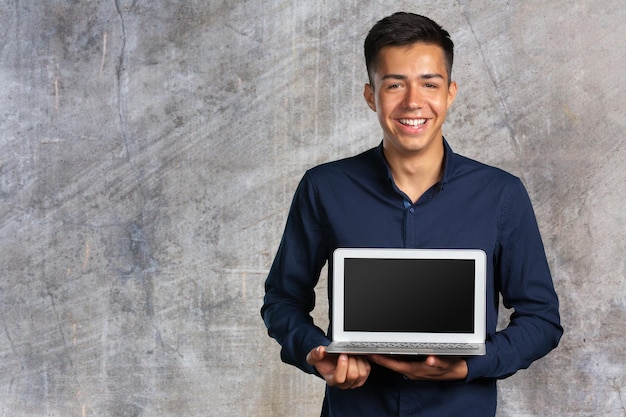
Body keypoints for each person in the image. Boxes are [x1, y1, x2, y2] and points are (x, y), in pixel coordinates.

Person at [261, 11, 562, 417]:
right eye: (394, 84)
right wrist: (317, 353)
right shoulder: (324, 188)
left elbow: (542, 319)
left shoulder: (501, 195)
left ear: (450, 92)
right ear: (371, 96)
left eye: (429, 84)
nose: (412, 102)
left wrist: (472, 364)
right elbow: (282, 299)